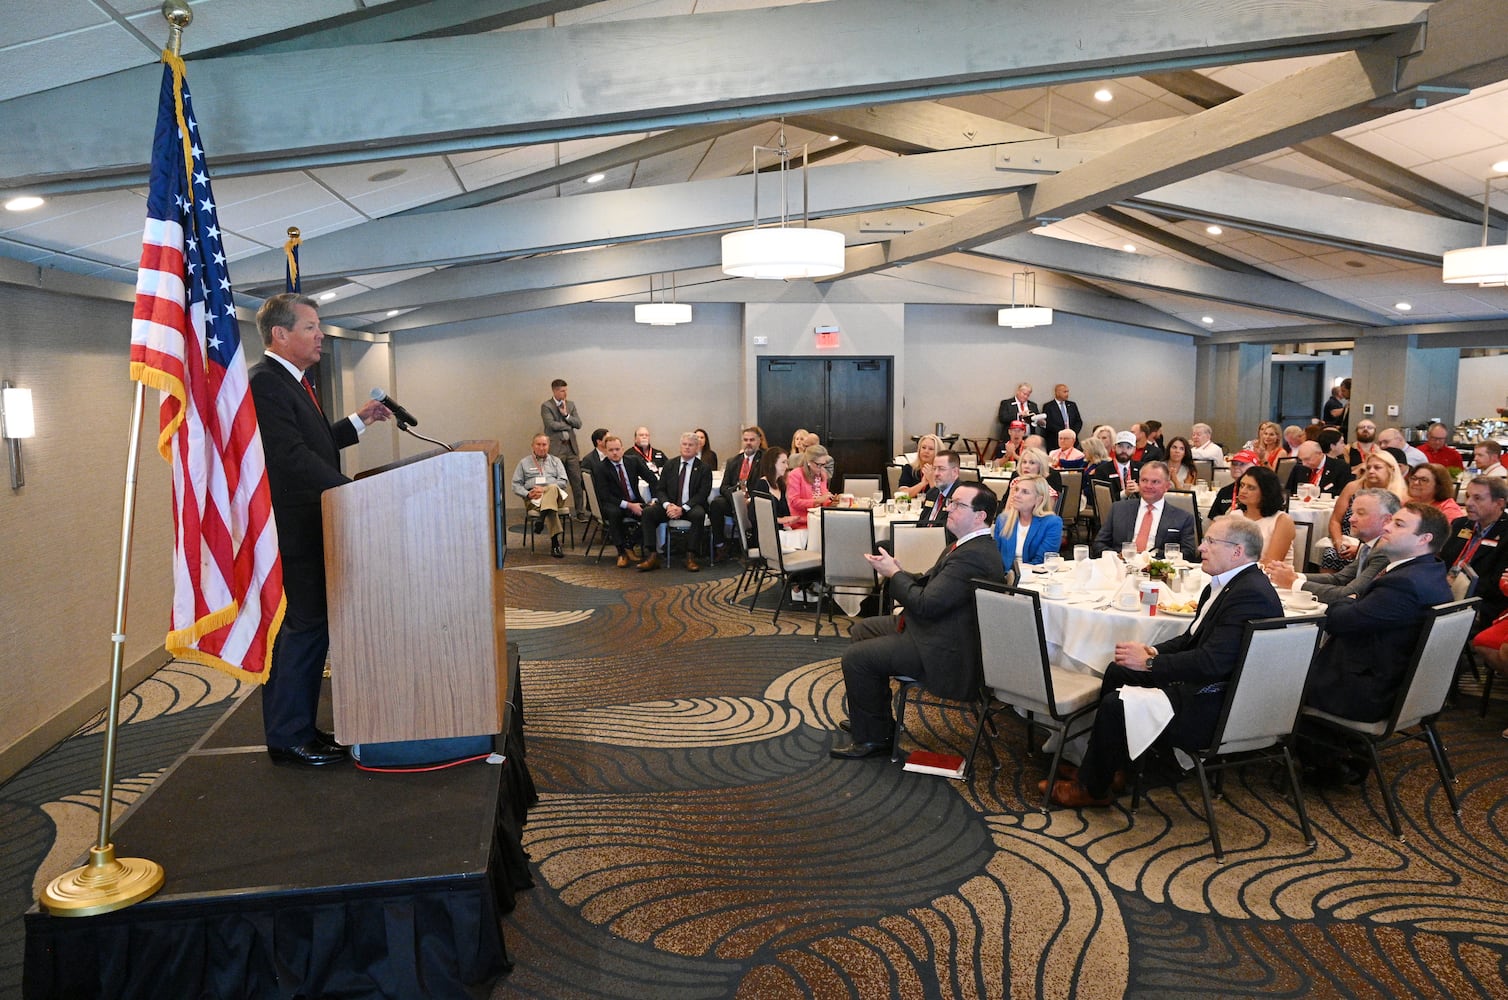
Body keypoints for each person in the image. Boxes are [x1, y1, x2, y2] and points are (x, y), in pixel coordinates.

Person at [1043, 516, 1282, 808]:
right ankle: (1108, 770)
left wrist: (1151, 666)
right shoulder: (1225, 585)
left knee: (1115, 704)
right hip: (1208, 685)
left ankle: (1092, 789)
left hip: (1219, 701)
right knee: (1120, 669)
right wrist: (1152, 653)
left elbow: (1212, 663)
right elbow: (1191, 639)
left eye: (1210, 542)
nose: (1201, 548)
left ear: (1237, 551)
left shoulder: (1251, 595)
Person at [248, 293, 393, 767]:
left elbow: (312, 442)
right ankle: (289, 736)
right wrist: (350, 491)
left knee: (313, 628)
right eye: (312, 327)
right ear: (280, 335)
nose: (321, 335)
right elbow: (289, 459)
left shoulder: (293, 382)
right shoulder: (265, 383)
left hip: (315, 526)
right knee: (304, 629)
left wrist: (358, 422)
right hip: (296, 530)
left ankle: (300, 728)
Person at [830, 483, 1007, 759]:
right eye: (952, 502)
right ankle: (875, 722)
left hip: (946, 648)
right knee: (863, 629)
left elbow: (925, 604)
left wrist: (893, 576)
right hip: (937, 628)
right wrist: (899, 571)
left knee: (857, 658)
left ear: (980, 515)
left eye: (959, 505)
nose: (949, 508)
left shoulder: (974, 555)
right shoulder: (966, 545)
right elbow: (933, 586)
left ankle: (874, 740)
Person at [1304, 503, 1453, 725]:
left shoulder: (1403, 584)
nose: (1387, 527)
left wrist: (1346, 602)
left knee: (1271, 672)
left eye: (1399, 524)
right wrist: (1352, 602)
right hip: (1388, 677)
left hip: (1362, 690)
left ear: (1424, 539)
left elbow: (1338, 622)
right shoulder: (1431, 570)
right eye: (1391, 520)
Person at [1266, 488, 1399, 604]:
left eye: (1361, 513)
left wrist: (1293, 583)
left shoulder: (1385, 551)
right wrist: (1293, 576)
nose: (1351, 519)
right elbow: (1339, 579)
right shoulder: (1368, 545)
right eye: (1352, 513)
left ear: (1386, 520)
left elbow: (1347, 593)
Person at [1317, 450, 1405, 571]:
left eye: (1377, 467)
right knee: (1331, 554)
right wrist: (1339, 543)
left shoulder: (1401, 495)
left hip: (1379, 545)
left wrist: (1361, 548)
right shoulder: (1353, 487)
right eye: (1368, 468)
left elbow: (1396, 531)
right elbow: (1335, 520)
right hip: (1347, 539)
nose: (1371, 471)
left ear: (1391, 469)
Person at [637, 432, 712, 572]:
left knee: (699, 515)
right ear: (680, 446)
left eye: (691, 445)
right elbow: (660, 489)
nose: (687, 447)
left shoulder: (704, 468)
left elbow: (702, 494)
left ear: (697, 448)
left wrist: (683, 508)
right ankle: (653, 555)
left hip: (691, 506)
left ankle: (690, 555)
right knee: (648, 512)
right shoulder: (670, 464)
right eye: (684, 444)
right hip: (670, 506)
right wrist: (667, 505)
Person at [1092, 461, 1198, 560]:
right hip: (1122, 567)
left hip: (1158, 571)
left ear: (1167, 486)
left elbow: (1188, 553)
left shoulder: (1182, 518)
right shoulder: (1119, 509)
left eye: (1155, 482)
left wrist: (1153, 556)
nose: (1148, 486)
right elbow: (1098, 544)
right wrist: (1117, 556)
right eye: (1144, 480)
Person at [1440, 476, 1508, 625]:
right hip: (1442, 593)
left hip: (1479, 605)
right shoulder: (1460, 524)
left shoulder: (1505, 535)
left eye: (1478, 498)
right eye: (1468, 496)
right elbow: (1441, 561)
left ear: (1499, 503)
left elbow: (1495, 587)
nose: (1469, 503)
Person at [595, 434, 658, 567]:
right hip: (614, 503)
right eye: (611, 450)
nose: (615, 453)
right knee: (614, 513)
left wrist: (654, 499)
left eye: (617, 449)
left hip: (635, 501)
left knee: (653, 513)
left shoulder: (633, 461)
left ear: (622, 449)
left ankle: (629, 543)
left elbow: (652, 479)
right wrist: (629, 505)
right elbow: (604, 495)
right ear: (606, 451)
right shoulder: (600, 468)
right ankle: (621, 552)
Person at [511, 433, 571, 558]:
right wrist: (528, 493)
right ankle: (555, 544)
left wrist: (544, 489)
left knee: (553, 487)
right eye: (538, 444)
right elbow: (515, 485)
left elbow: (564, 482)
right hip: (534, 499)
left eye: (544, 445)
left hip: (555, 496)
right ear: (532, 446)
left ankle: (541, 519)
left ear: (548, 446)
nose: (541, 447)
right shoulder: (524, 463)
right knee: (551, 509)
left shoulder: (556, 461)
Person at [993, 474, 1062, 576]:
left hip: (1035, 577)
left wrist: (1018, 575)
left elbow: (1041, 561)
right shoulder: (1003, 519)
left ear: (1039, 499)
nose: (1016, 495)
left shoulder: (1052, 523)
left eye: (1025, 492)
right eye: (1016, 490)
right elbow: (995, 556)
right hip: (1004, 578)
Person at [709, 426, 763, 554]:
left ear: (759, 441)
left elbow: (763, 485)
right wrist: (737, 498)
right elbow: (724, 487)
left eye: (752, 440)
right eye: (745, 440)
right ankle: (720, 545)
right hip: (734, 500)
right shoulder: (733, 461)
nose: (748, 443)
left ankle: (753, 548)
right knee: (716, 504)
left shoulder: (764, 460)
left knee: (755, 507)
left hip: (754, 500)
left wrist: (749, 499)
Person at [541, 378, 587, 520]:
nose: (565, 393)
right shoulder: (546, 406)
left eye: (566, 390)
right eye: (562, 391)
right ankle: (557, 511)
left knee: (577, 481)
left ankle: (580, 512)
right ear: (555, 391)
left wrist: (566, 415)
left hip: (571, 449)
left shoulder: (571, 405)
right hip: (556, 449)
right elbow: (551, 425)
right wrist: (568, 424)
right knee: (556, 481)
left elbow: (578, 423)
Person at [1233, 465, 1296, 566]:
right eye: (1242, 485)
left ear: (1266, 492)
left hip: (1270, 577)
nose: (1243, 491)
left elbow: (1271, 564)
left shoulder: (1282, 520)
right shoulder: (1235, 516)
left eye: (1251, 488)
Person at [913, 450, 964, 530]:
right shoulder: (932, 493)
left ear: (955, 472)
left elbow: (955, 532)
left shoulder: (961, 496)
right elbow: (921, 523)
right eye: (934, 468)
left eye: (941, 469)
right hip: (923, 538)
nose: (936, 473)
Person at [787, 444, 834, 529]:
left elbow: (824, 498)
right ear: (809, 461)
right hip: (801, 522)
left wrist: (832, 501)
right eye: (818, 464)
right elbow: (794, 502)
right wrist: (816, 501)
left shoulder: (822, 474)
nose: (821, 468)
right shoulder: (795, 474)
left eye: (823, 464)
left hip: (820, 519)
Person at [1284, 441, 1351, 497]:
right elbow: (1288, 492)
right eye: (1301, 460)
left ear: (1319, 454)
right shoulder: (1299, 468)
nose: (1304, 464)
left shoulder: (1340, 467)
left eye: (1307, 459)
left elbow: (1344, 493)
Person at [1207, 449, 1257, 520]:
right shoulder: (1224, 491)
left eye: (1242, 464)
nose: (1236, 467)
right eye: (1234, 464)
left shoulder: (1260, 492)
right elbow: (1213, 519)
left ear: (1255, 467)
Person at [898, 433, 942, 498]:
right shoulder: (909, 468)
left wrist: (931, 481)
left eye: (931, 449)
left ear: (937, 452)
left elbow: (941, 499)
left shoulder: (942, 471)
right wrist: (922, 484)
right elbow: (902, 496)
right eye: (923, 448)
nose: (926, 451)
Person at [581, 426, 610, 494]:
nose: (610, 441)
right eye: (607, 439)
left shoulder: (613, 456)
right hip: (598, 496)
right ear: (599, 442)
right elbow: (584, 484)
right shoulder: (588, 460)